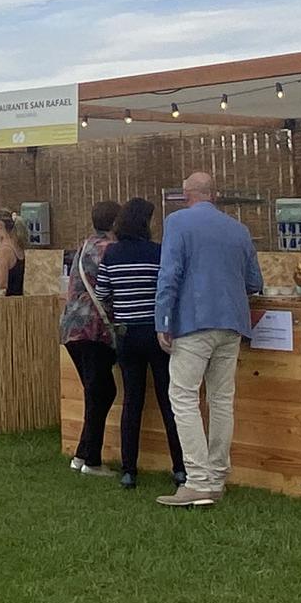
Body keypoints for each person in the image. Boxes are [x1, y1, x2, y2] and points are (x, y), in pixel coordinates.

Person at [153, 172, 261, 508]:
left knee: (183, 397)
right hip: (232, 323)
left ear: (186, 194)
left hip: (193, 321)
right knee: (221, 399)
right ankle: (216, 477)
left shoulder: (178, 222)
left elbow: (169, 273)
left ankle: (197, 480)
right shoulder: (238, 229)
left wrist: (163, 320)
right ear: (214, 195)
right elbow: (254, 281)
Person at [99, 196, 186, 491]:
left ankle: (129, 471)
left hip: (126, 334)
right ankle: (179, 468)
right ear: (145, 224)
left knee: (132, 402)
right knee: (168, 400)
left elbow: (102, 293)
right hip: (156, 331)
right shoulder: (158, 253)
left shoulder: (111, 254)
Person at [59, 201, 119, 477]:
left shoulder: (84, 246)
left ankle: (83, 453)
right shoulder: (110, 250)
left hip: (72, 327)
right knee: (101, 391)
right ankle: (90, 459)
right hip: (96, 329)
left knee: (96, 391)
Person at [0, 210, 25, 296]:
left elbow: (2, 286)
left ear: (0, 225)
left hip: (6, 304)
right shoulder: (15, 245)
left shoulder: (4, 251)